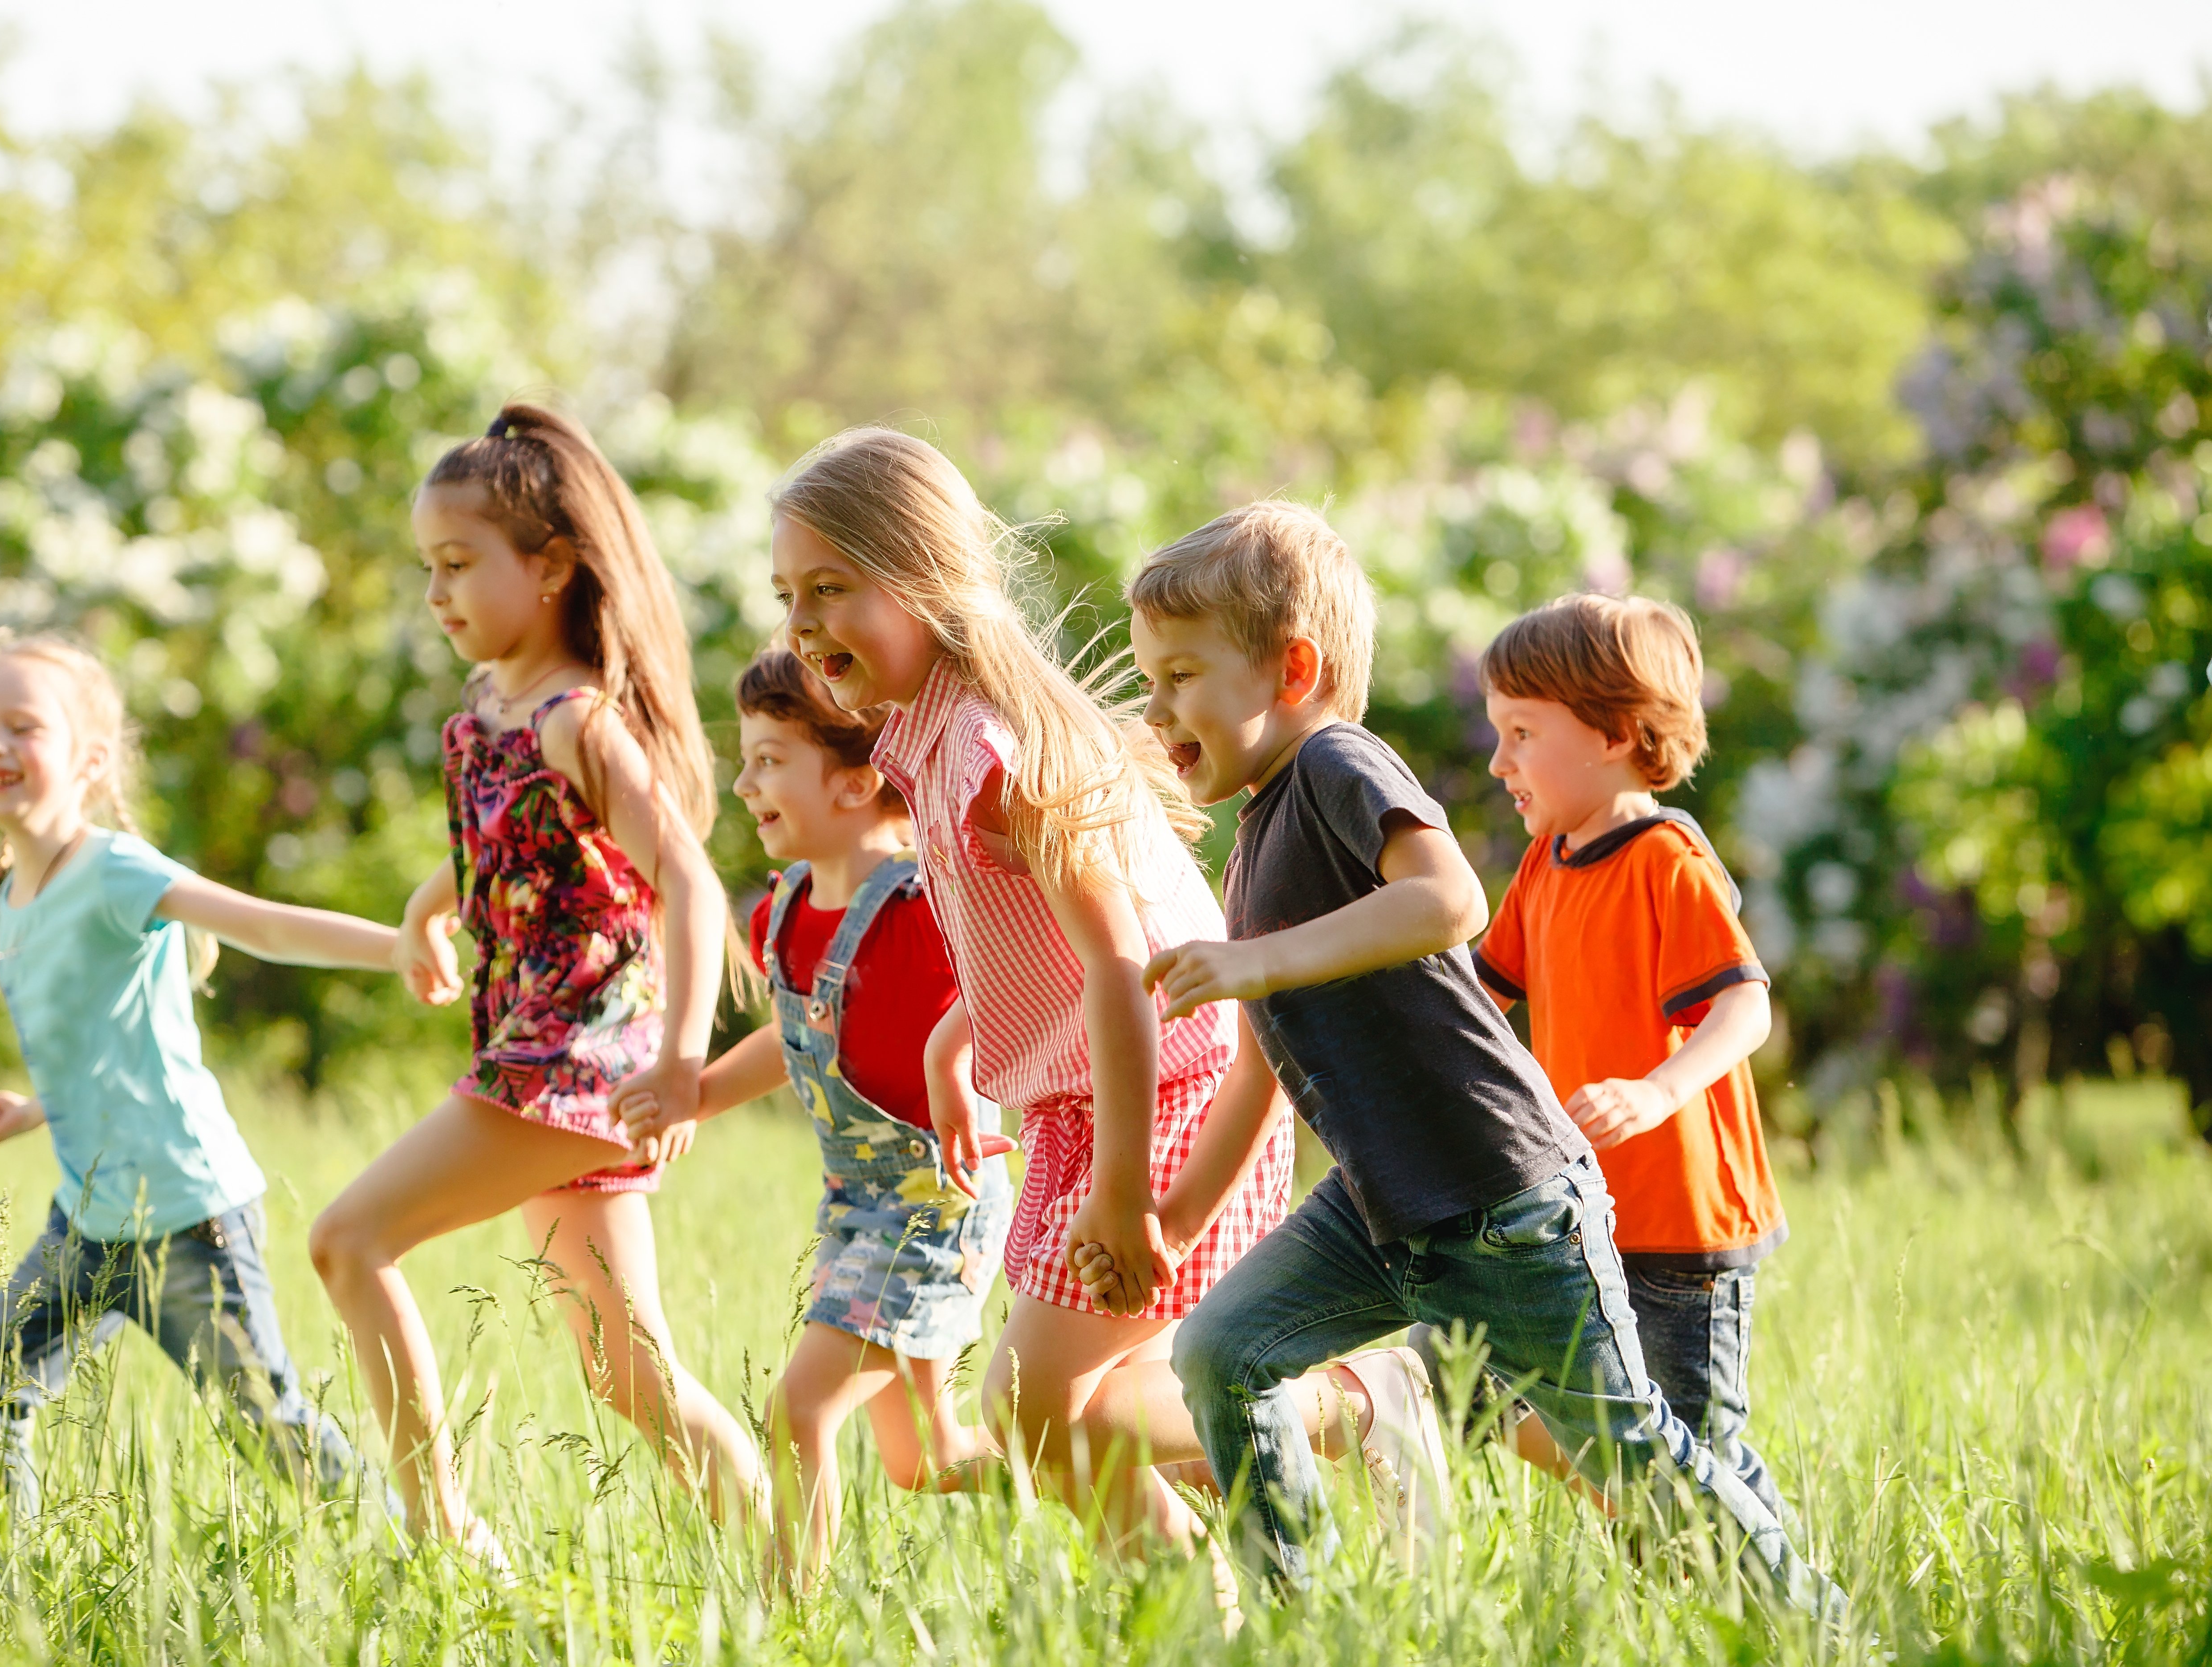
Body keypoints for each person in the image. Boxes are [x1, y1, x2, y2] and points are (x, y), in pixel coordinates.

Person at [1128, 502, 1844, 1623]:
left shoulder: (1332, 761)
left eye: (1179, 675)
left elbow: (1449, 900)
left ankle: (1824, 1632)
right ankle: (1299, 1623)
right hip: (1384, 1203)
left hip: (1500, 1201)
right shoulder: (1261, 833)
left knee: (1632, 1456)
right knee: (1225, 1350)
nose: (1156, 705)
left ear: (1294, 668)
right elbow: (1267, 1066)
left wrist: (1260, 959)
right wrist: (1170, 1220)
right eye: (1148, 680)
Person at [761, 425, 1307, 1553]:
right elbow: (1034, 946)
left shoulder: (991, 750)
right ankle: (1192, 1614)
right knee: (1076, 1418)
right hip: (1087, 1099)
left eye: (830, 588)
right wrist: (955, 1045)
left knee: (1030, 1408)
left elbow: (1119, 960)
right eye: (787, 597)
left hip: (1164, 1096)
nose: (803, 626)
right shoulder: (930, 734)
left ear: (922, 581)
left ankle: (1351, 1412)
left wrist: (1119, 1186)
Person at [308, 404, 761, 1561]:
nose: (438, 595)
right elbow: (516, 855)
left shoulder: (580, 722)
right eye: (429, 571)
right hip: (539, 1051)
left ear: (552, 565)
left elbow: (693, 891)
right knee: (628, 1374)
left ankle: (447, 1535)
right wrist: (430, 902)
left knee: (348, 1240)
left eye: (460, 566)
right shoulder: (484, 719)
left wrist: (680, 1066)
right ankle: (781, 1563)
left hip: (578, 1065)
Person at [0, 629, 396, 1524]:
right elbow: (99, 1052)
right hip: (86, 1224)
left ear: (89, 760)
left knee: (270, 1430)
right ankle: (8, 1586)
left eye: (21, 727)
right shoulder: (7, 901)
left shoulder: (113, 869)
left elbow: (262, 925)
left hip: (189, 1223)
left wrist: (400, 949)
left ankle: (419, 1559)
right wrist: (30, 1111)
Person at [621, 649, 1011, 1584]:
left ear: (856, 780)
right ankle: (1130, 1462)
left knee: (799, 1410)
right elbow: (800, 1038)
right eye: (746, 759)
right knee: (927, 1461)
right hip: (853, 1209)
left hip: (935, 1205)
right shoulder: (783, 913)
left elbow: (1018, 994)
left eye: (768, 760)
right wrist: (698, 1091)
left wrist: (972, 1073)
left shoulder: (926, 913)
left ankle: (786, 1623)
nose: (744, 781)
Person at [1460, 592, 1792, 1521]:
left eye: (1522, 732)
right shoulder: (1544, 863)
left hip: (1684, 1226)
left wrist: (1658, 1093)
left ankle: (1788, 1612)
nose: (1499, 761)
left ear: (1613, 731)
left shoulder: (1665, 859)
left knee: (1694, 1450)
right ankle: (1707, 1567)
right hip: (1583, 1210)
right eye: (1497, 732)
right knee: (1552, 1412)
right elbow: (1477, 1005)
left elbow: (1745, 1006)